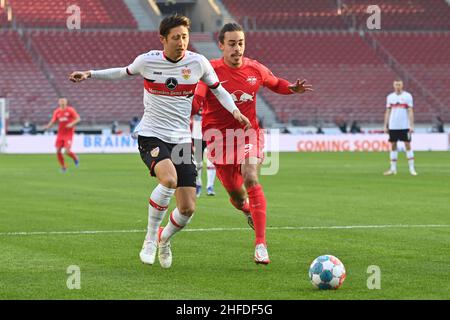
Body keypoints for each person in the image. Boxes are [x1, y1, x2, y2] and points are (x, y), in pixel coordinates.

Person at [68, 14, 250, 269]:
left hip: (181, 139)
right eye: (176, 37)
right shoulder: (148, 61)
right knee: (169, 179)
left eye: (185, 37)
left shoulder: (198, 64)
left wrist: (235, 111)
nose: (181, 42)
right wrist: (89, 74)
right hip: (151, 133)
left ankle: (164, 239)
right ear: (163, 39)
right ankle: (150, 238)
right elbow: (122, 72)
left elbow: (218, 89)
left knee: (187, 209)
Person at [192, 23, 313, 264]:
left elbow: (275, 82)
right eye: (232, 44)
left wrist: (291, 88)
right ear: (221, 45)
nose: (237, 49)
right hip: (218, 140)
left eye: (241, 43)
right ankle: (247, 209)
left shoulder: (254, 68)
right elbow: (197, 100)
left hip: (248, 134)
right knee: (237, 198)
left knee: (251, 177)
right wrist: (190, 107)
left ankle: (261, 244)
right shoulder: (209, 71)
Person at [383, 80, 417, 176]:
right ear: (393, 85)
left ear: (402, 85)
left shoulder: (407, 96)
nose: (398, 86)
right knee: (393, 145)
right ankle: (393, 169)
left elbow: (410, 111)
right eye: (396, 84)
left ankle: (412, 169)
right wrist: (385, 125)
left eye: (399, 84)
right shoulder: (390, 97)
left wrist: (411, 125)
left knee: (407, 145)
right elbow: (388, 111)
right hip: (393, 126)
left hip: (404, 126)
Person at [44, 98, 80, 172]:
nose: (62, 103)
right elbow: (53, 120)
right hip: (60, 133)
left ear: (66, 102)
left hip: (69, 134)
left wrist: (71, 124)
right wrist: (47, 126)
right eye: (61, 102)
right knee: (58, 150)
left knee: (67, 151)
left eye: (64, 102)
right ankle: (63, 167)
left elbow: (78, 119)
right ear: (59, 103)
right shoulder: (57, 112)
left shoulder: (70, 110)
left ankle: (75, 157)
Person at [191, 107, 217, 197]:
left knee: (211, 162)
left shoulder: (212, 96)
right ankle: (198, 184)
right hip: (197, 134)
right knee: (198, 163)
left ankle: (210, 186)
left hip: (211, 133)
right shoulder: (195, 96)